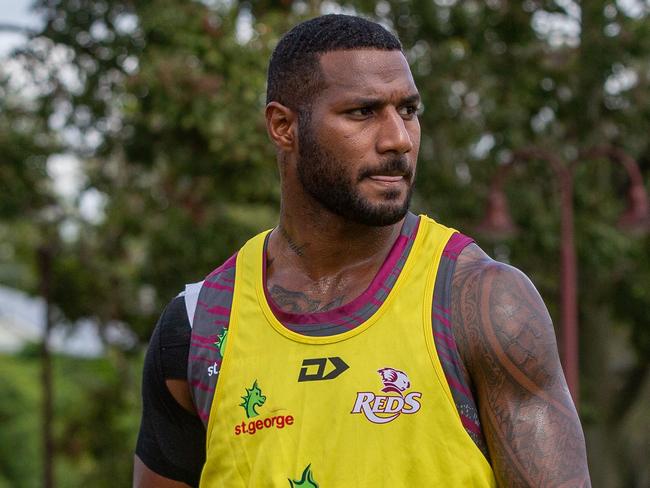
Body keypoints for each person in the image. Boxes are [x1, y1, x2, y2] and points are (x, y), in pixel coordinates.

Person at [133, 14, 591, 487]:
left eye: (409, 111)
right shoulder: (197, 325)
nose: (398, 139)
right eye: (362, 112)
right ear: (283, 126)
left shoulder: (483, 303)